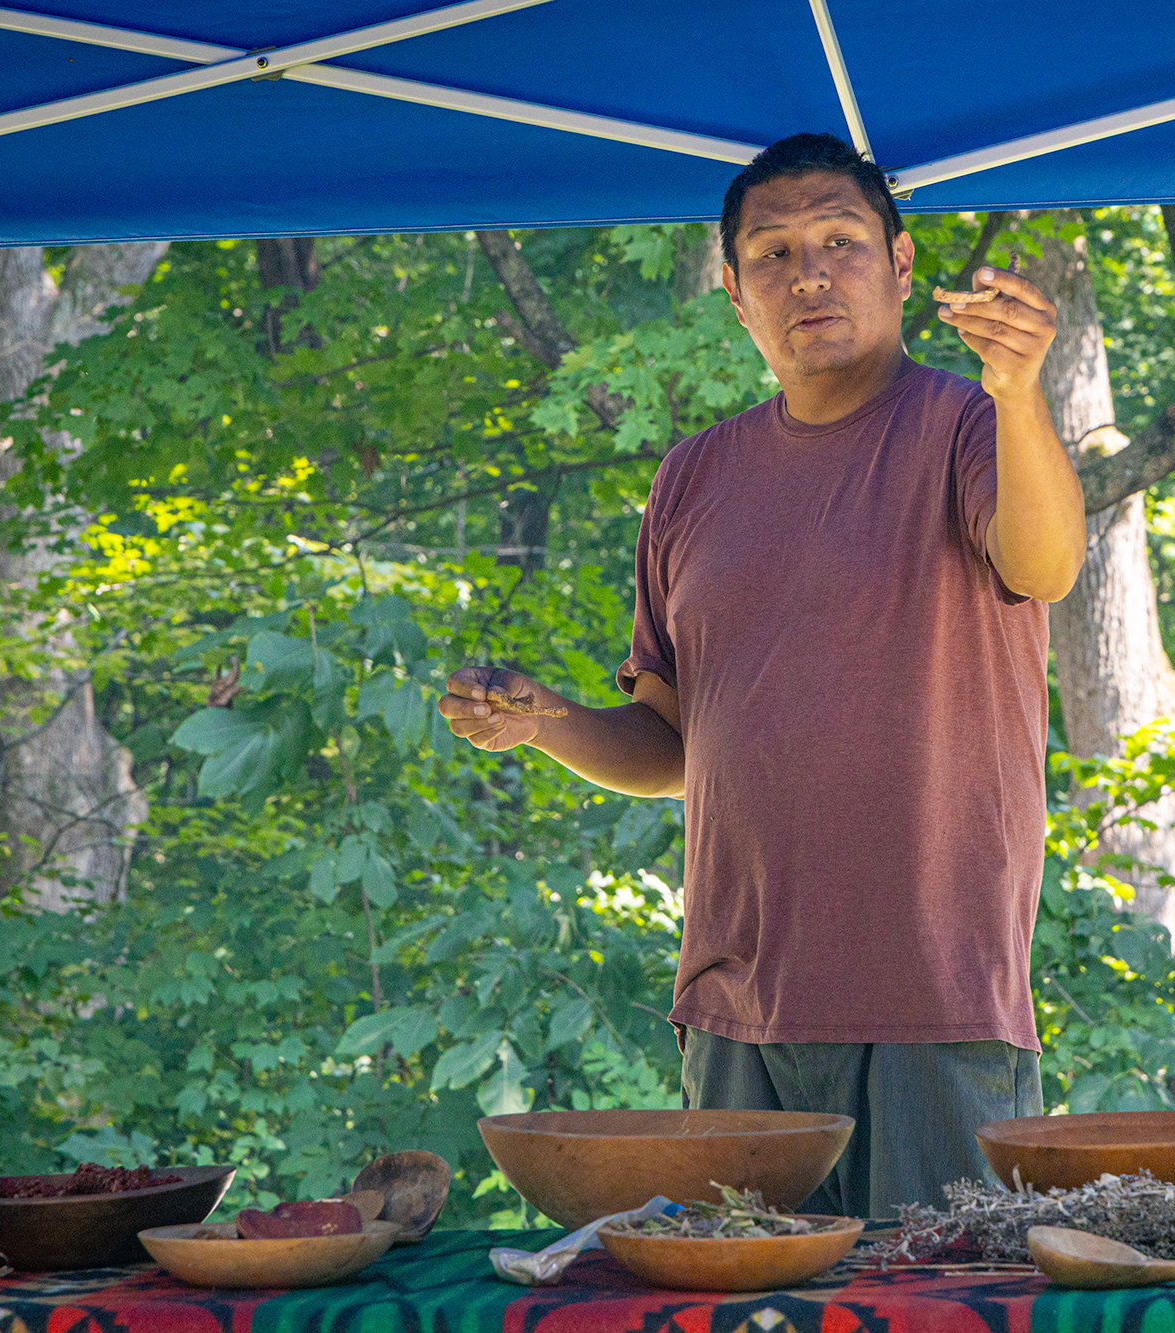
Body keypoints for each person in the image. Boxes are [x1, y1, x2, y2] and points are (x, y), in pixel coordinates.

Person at [439, 132, 1084, 1216]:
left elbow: (1046, 561)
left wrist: (1019, 393)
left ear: (901, 264)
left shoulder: (967, 427)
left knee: (935, 1300)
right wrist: (542, 720)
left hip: (935, 997)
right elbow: (671, 748)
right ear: (735, 293)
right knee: (739, 1302)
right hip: (735, 1007)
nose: (810, 273)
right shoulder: (691, 478)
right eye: (774, 253)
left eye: (839, 241)